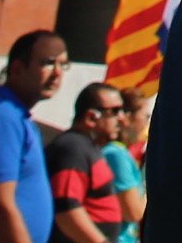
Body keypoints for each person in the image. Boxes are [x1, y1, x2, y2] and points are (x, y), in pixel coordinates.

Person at [0, 33, 68, 243]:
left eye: (63, 65)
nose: (58, 74)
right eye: (48, 63)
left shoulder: (16, 117)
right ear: (17, 69)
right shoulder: (0, 117)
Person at [47, 84, 133, 239]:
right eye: (114, 111)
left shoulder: (87, 147)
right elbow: (67, 210)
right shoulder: (73, 148)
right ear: (91, 117)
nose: (122, 118)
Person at [102, 95, 148, 242]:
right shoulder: (116, 155)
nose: (147, 124)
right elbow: (134, 213)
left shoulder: (120, 153)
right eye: (145, 117)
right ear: (127, 118)